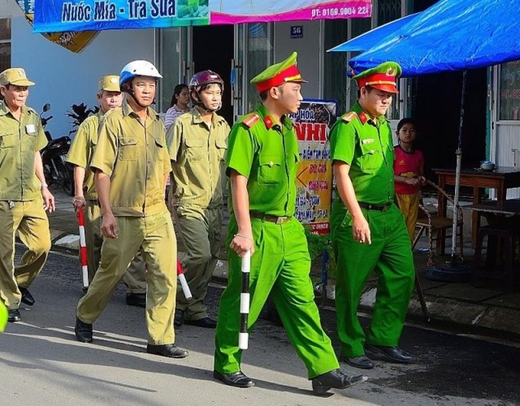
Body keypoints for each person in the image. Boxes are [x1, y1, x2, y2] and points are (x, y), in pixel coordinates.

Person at [213, 52, 366, 394]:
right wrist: (243, 231)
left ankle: (323, 368)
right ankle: (227, 362)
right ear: (274, 92)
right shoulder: (248, 128)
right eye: (295, 88)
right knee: (244, 300)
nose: (300, 95)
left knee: (303, 301)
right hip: (258, 229)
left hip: (290, 229)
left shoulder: (288, 130)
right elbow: (238, 181)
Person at [74, 60, 188, 359]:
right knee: (111, 272)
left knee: (164, 275)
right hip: (123, 213)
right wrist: (108, 213)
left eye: (152, 85)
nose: (148, 90)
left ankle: (160, 338)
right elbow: (101, 171)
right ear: (127, 87)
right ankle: (85, 316)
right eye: (142, 84)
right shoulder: (113, 122)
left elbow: (165, 167)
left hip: (157, 213)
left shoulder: (158, 122)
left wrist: (167, 204)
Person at [329, 61, 416, 370]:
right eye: (380, 94)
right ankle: (351, 345)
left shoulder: (383, 125)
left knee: (403, 274)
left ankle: (382, 339)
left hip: (388, 214)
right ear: (362, 90)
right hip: (358, 213)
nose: (386, 100)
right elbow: (341, 174)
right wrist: (356, 216)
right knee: (351, 284)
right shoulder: (348, 125)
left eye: (390, 95)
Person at [0, 68, 55, 323]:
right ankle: (9, 301)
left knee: (43, 245)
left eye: (25, 89)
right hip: (2, 196)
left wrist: (44, 186)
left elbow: (36, 154)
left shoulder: (33, 117)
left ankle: (18, 281)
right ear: (3, 89)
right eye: (17, 88)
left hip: (31, 194)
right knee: (4, 253)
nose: (22, 93)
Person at [66, 74, 148, 305]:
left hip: (125, 197)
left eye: (118, 94)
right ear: (99, 96)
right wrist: (79, 194)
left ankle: (137, 288)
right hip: (95, 198)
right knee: (96, 246)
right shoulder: (90, 125)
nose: (114, 99)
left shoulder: (133, 121)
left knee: (132, 245)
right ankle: (95, 288)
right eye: (109, 95)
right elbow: (80, 161)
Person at [166, 70, 229, 329]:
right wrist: (163, 199)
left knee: (211, 257)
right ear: (195, 95)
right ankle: (177, 301)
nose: (215, 97)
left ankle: (195, 306)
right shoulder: (181, 125)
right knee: (199, 255)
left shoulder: (224, 127)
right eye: (209, 92)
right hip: (188, 202)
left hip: (216, 205)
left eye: (218, 92)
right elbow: (166, 164)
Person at [394, 118, 425, 238]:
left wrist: (422, 179)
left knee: (410, 229)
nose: (408, 133)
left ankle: (408, 253)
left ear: (416, 134)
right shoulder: (393, 152)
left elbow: (421, 174)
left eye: (411, 131)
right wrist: (405, 180)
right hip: (397, 196)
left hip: (414, 196)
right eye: (404, 130)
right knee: (398, 227)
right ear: (397, 133)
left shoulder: (418, 154)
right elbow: (388, 175)